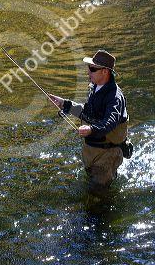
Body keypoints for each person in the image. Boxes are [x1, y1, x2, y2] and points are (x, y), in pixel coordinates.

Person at [49, 49, 129, 194]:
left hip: (107, 154)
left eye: (92, 69)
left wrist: (91, 129)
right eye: (88, 68)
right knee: (93, 188)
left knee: (97, 195)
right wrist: (65, 104)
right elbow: (88, 112)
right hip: (92, 151)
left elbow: (110, 122)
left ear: (105, 72)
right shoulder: (95, 87)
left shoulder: (115, 97)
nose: (88, 72)